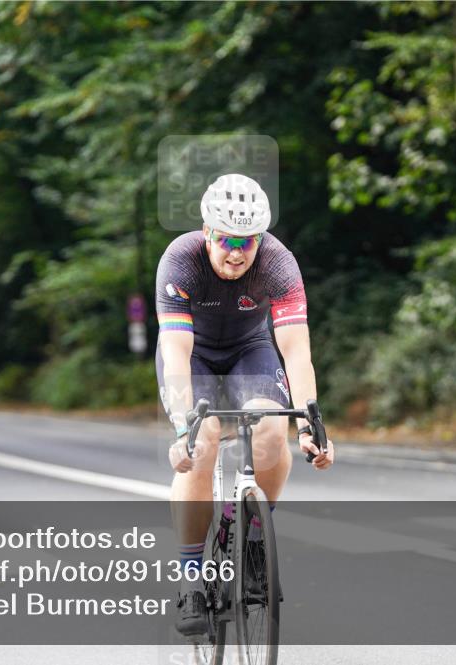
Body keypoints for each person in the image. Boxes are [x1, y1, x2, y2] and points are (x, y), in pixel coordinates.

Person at [155, 173, 335, 635]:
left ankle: (253, 536)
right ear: (207, 231)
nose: (236, 252)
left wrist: (313, 424)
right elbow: (175, 352)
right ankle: (192, 578)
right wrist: (182, 429)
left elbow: (296, 351)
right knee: (205, 438)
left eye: (248, 242)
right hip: (192, 355)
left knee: (274, 428)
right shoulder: (180, 260)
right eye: (226, 239)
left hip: (247, 351)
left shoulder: (279, 263)